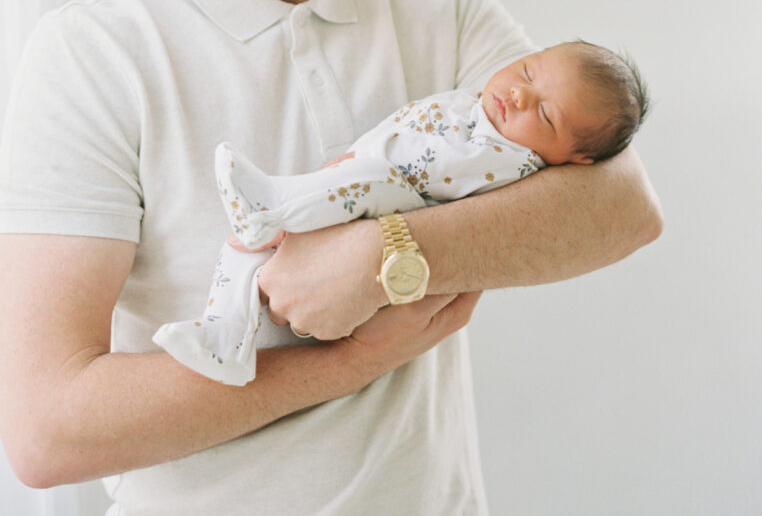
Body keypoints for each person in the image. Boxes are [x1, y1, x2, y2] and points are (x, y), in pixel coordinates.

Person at [0, 0, 663, 516]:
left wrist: (386, 253)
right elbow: (48, 431)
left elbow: (621, 207)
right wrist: (350, 361)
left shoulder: (438, 4)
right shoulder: (95, 59)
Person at [155, 40, 650, 385]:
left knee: (338, 195)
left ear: (576, 159)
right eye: (526, 71)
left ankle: (275, 202)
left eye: (544, 114)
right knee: (243, 247)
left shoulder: (509, 157)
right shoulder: (484, 108)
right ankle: (225, 335)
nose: (520, 95)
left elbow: (423, 168)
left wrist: (359, 213)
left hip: (396, 201)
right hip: (356, 190)